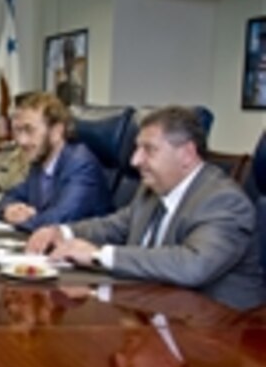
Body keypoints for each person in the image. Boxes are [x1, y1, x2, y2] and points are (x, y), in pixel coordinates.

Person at [26, 106, 265, 311]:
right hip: (157, 311)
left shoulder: (223, 201)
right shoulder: (152, 189)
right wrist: (62, 232)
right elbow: (115, 225)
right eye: (137, 148)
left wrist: (99, 255)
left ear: (187, 155)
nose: (134, 160)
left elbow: (193, 265)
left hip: (216, 337)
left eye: (149, 149)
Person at [0, 92, 111, 232]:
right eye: (18, 131)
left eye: (29, 130)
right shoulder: (39, 162)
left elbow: (57, 220)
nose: (21, 141)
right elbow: (8, 198)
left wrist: (22, 219)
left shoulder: (81, 165)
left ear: (56, 131)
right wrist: (9, 210)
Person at [54, 36, 86, 107]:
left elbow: (80, 98)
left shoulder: (77, 77)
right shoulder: (61, 75)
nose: (68, 60)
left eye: (70, 56)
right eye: (66, 56)